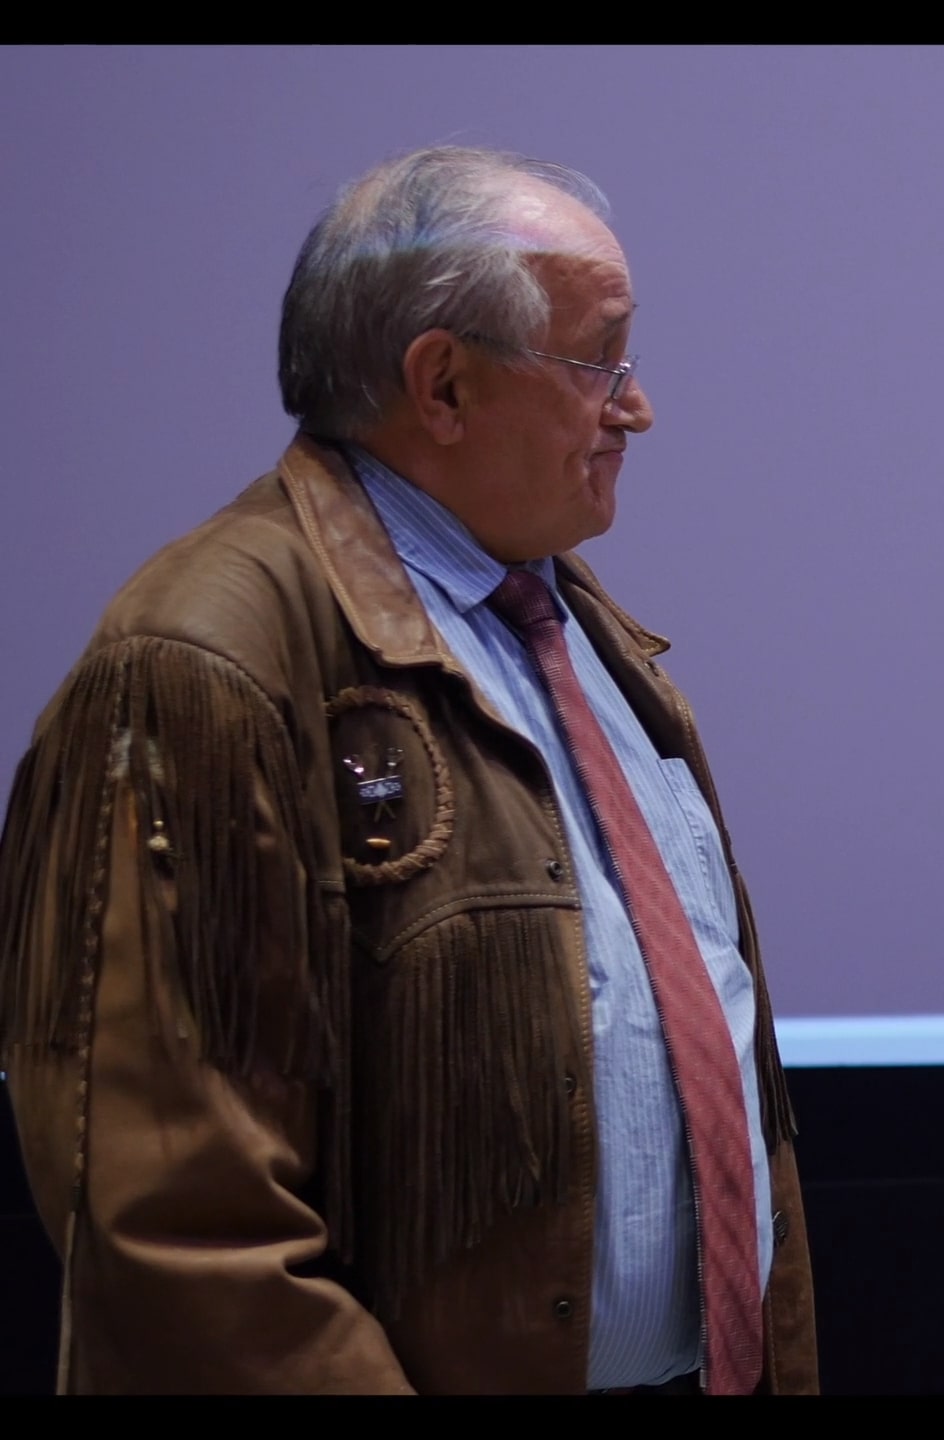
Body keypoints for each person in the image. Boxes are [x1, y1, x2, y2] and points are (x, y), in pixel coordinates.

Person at [0, 146, 816, 1393]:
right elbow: (180, 1225)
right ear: (442, 385)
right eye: (602, 358)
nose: (637, 406)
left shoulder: (564, 621)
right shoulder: (200, 658)